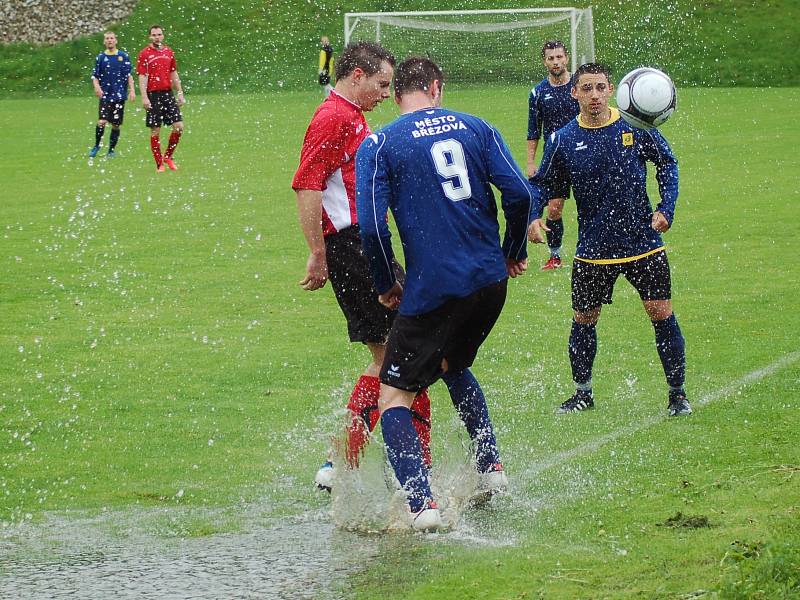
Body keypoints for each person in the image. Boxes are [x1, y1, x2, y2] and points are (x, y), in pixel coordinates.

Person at [356, 57, 534, 531]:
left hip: (434, 288)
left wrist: (384, 283)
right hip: (489, 283)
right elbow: (519, 194)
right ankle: (490, 468)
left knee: (393, 397)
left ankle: (420, 506)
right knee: (452, 364)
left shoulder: (380, 142)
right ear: (437, 88)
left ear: (398, 97)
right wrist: (512, 250)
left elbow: (372, 229)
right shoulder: (477, 126)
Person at [291, 42, 432, 492]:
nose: (385, 94)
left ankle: (372, 461)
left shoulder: (350, 114)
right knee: (397, 351)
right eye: (382, 84)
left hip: (365, 244)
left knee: (406, 347)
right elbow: (307, 185)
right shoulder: (332, 117)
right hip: (351, 247)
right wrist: (317, 251)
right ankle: (350, 461)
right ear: (356, 75)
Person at [528, 62, 692, 418]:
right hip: (593, 250)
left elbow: (668, 162)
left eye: (601, 87)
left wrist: (666, 207)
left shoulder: (636, 127)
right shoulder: (562, 140)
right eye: (586, 89)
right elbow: (541, 184)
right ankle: (583, 393)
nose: (595, 95)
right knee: (584, 319)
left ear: (611, 89)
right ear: (574, 93)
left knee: (661, 314)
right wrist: (533, 217)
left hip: (643, 244)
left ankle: (677, 394)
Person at [527, 40, 580, 270]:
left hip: (583, 154)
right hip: (555, 160)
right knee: (555, 208)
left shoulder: (580, 86)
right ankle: (555, 255)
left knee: (594, 203)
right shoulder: (538, 93)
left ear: (566, 58)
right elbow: (533, 130)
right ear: (544, 61)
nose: (556, 62)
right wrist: (531, 162)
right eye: (551, 58)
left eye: (559, 57)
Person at [136, 24, 185, 173]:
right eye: (154, 35)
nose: (157, 37)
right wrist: (144, 97)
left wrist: (180, 92)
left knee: (179, 127)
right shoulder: (144, 54)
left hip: (167, 94)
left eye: (159, 34)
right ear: (149, 37)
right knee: (155, 130)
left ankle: (168, 157)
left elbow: (173, 73)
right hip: (153, 95)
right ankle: (159, 165)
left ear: (163, 36)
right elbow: (142, 76)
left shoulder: (168, 52)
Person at [89, 31, 135, 159]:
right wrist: (97, 87)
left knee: (115, 124)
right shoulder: (100, 58)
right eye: (107, 38)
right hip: (106, 95)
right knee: (102, 121)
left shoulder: (123, 56)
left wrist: (132, 90)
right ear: (104, 42)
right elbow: (95, 76)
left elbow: (129, 75)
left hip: (119, 96)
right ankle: (97, 145)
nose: (109, 40)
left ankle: (111, 150)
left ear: (116, 40)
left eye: (112, 38)